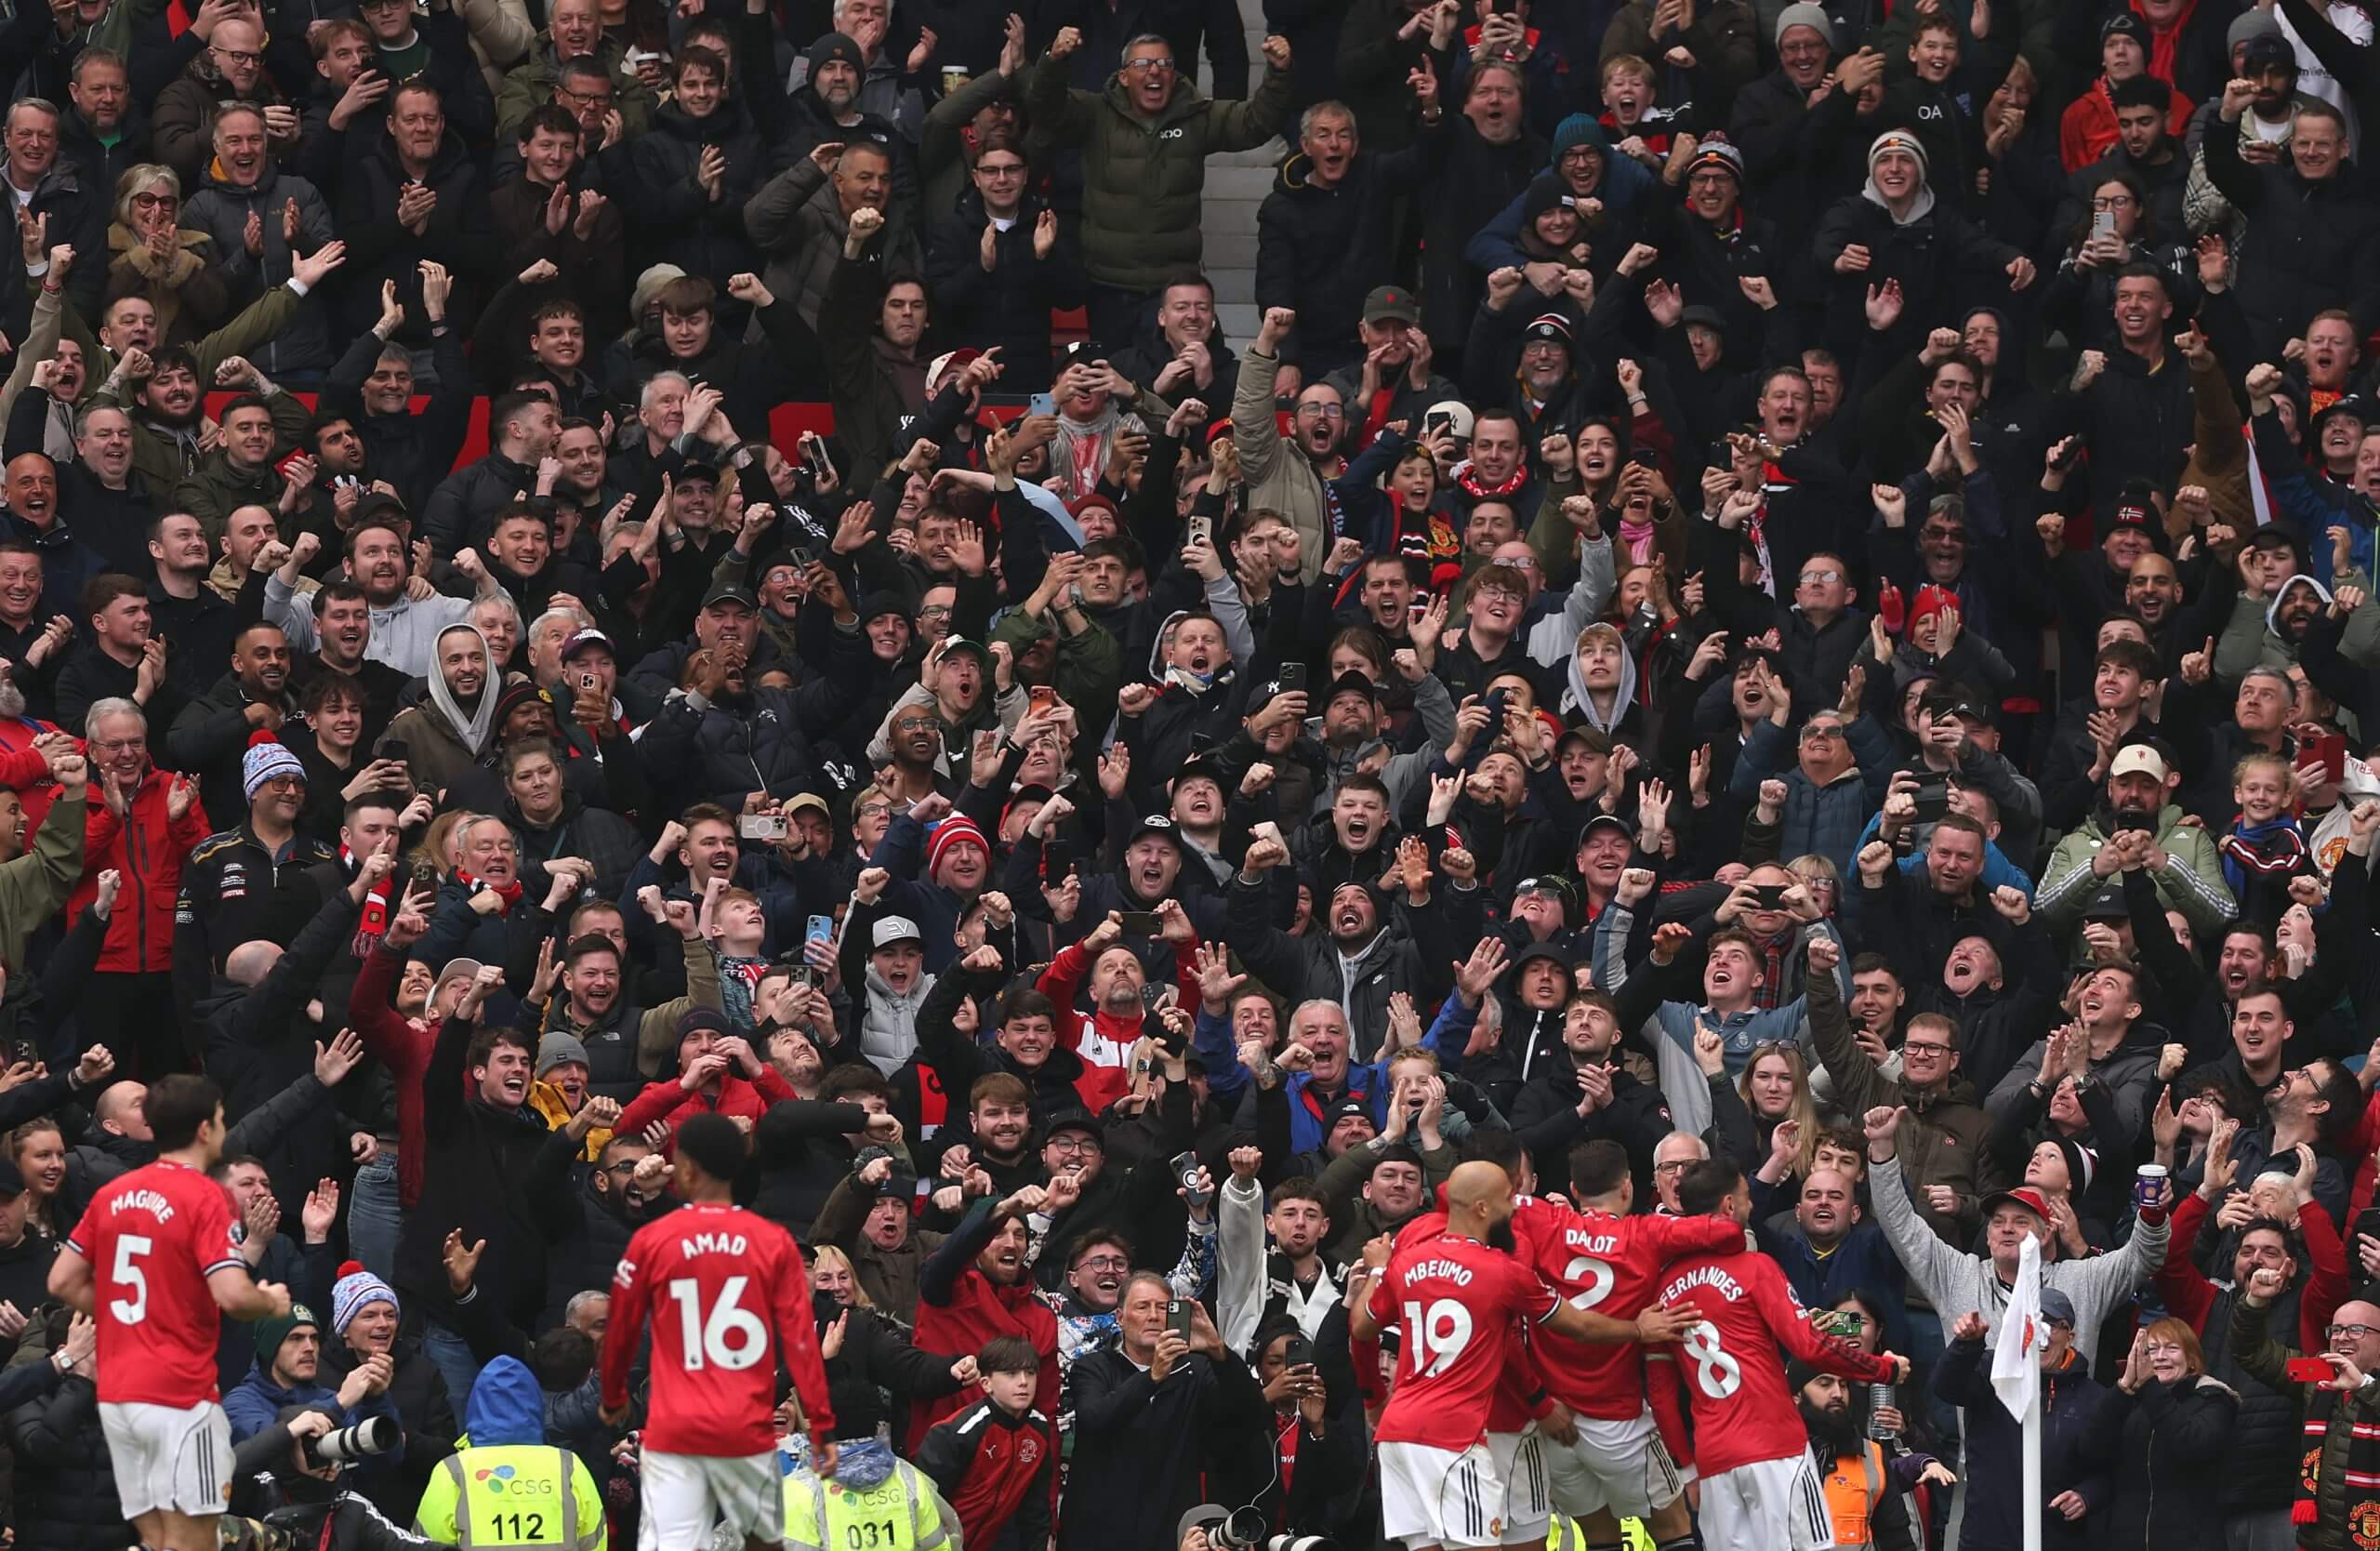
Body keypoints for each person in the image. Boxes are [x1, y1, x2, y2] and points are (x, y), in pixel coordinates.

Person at [46, 1074, 292, 1551]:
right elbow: (232, 1295)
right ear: (204, 1129)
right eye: (221, 1119)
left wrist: (127, 1314)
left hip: (119, 1394)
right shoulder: (203, 1196)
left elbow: (61, 1281)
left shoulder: (114, 1192)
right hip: (179, 1391)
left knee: (155, 1535)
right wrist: (272, 1301)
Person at [600, 1110, 841, 1544]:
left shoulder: (653, 1240)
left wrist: (615, 1396)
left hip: (675, 1429)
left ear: (686, 1169)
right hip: (746, 1428)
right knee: (763, 1541)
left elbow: (621, 1328)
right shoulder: (774, 1242)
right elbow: (802, 1342)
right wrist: (821, 1426)